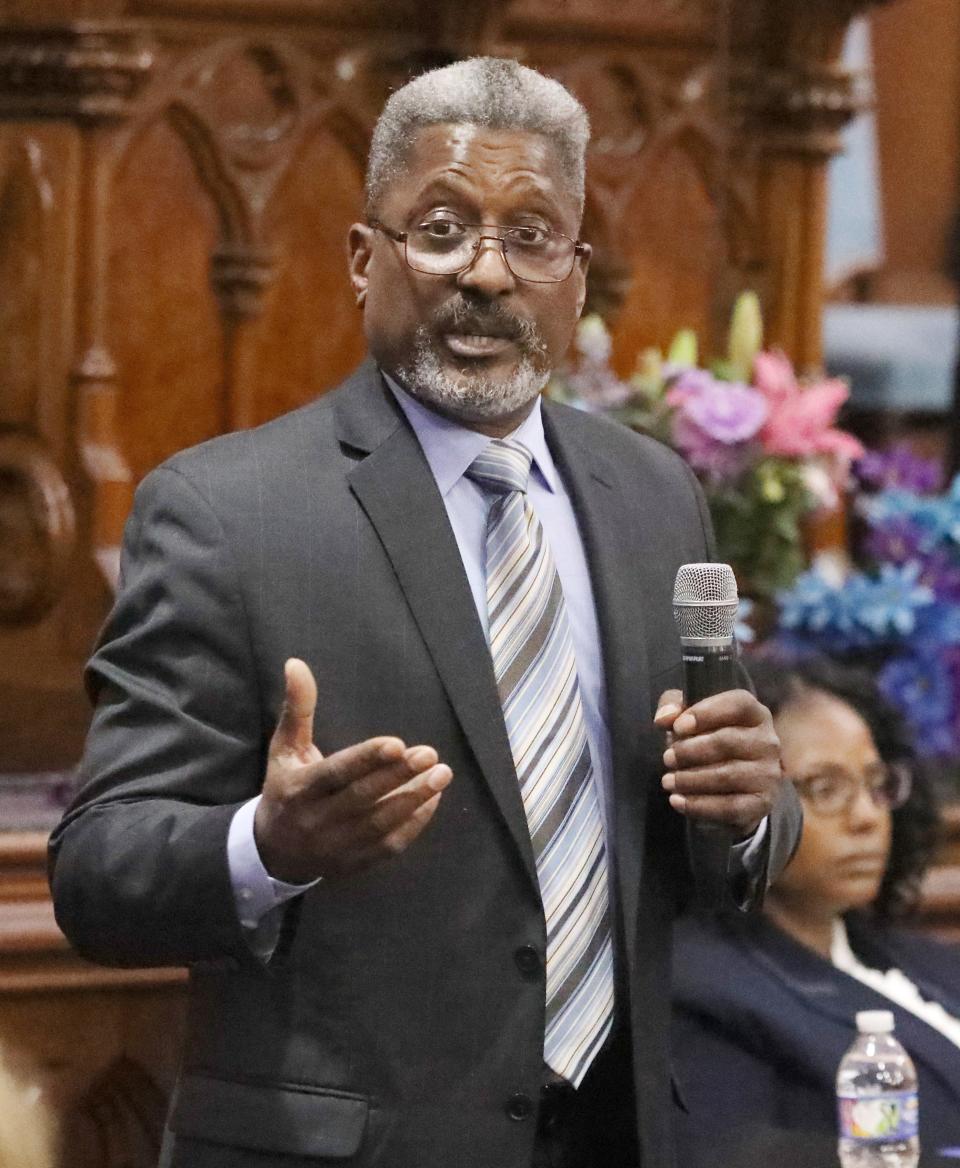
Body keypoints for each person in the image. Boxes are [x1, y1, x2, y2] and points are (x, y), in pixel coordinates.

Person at [49, 57, 800, 1168]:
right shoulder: (225, 512)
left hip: (614, 1137)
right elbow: (97, 871)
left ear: (579, 277)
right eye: (443, 229)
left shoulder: (652, 497)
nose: (487, 276)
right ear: (366, 259)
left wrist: (745, 811)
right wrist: (270, 843)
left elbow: (708, 837)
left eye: (533, 237)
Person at [672, 655, 960, 1168]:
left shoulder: (927, 962)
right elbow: (738, 1155)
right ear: (747, 800)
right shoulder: (708, 987)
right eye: (826, 789)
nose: (868, 817)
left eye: (875, 784)